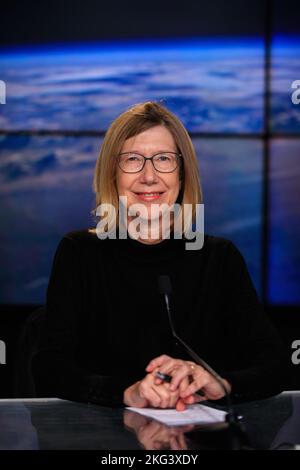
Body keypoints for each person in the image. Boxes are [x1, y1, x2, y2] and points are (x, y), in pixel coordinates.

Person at [32, 101, 287, 411]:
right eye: (132, 160)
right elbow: (49, 369)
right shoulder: (80, 253)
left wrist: (217, 382)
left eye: (164, 159)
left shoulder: (218, 258)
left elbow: (274, 365)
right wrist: (129, 393)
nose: (149, 176)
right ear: (112, 174)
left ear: (182, 174)